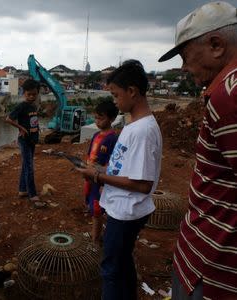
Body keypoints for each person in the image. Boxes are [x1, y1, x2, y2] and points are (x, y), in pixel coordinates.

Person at [158, 2, 237, 299]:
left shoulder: (228, 95)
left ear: (216, 45)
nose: (182, 67)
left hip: (212, 264)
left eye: (184, 55)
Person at [77, 60, 162, 300]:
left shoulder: (142, 131)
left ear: (132, 92)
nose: (114, 101)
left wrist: (97, 175)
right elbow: (128, 167)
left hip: (126, 212)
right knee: (122, 262)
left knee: (111, 270)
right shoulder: (135, 124)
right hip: (123, 207)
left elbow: (143, 184)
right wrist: (101, 168)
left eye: (115, 95)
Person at [83, 100, 119, 245]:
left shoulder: (113, 139)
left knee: (98, 209)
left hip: (101, 180)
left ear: (111, 119)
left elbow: (113, 163)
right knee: (92, 205)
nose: (97, 121)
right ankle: (96, 235)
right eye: (96, 118)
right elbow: (89, 154)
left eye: (101, 118)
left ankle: (96, 239)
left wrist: (104, 179)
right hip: (91, 178)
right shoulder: (96, 135)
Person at [6, 79, 46, 208]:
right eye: (29, 94)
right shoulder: (22, 106)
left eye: (34, 94)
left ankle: (23, 190)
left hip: (32, 140)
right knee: (29, 168)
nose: (31, 97)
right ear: (24, 93)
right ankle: (32, 194)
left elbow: (33, 121)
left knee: (26, 165)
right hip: (24, 141)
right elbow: (8, 119)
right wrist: (21, 128)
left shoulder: (33, 106)